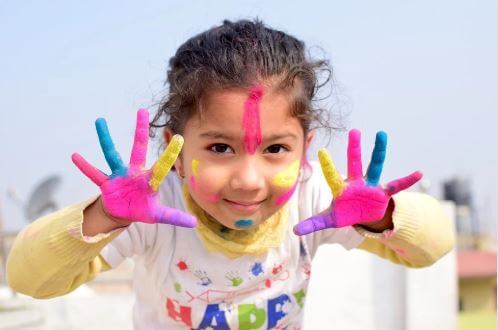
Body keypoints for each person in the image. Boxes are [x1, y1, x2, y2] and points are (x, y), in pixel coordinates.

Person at [6, 19, 454, 329]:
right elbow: (28, 279)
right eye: (220, 148)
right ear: (175, 152)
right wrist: (105, 215)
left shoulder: (315, 198)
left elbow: (434, 246)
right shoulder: (154, 209)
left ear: (305, 150)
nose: (248, 180)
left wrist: (380, 218)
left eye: (276, 149)